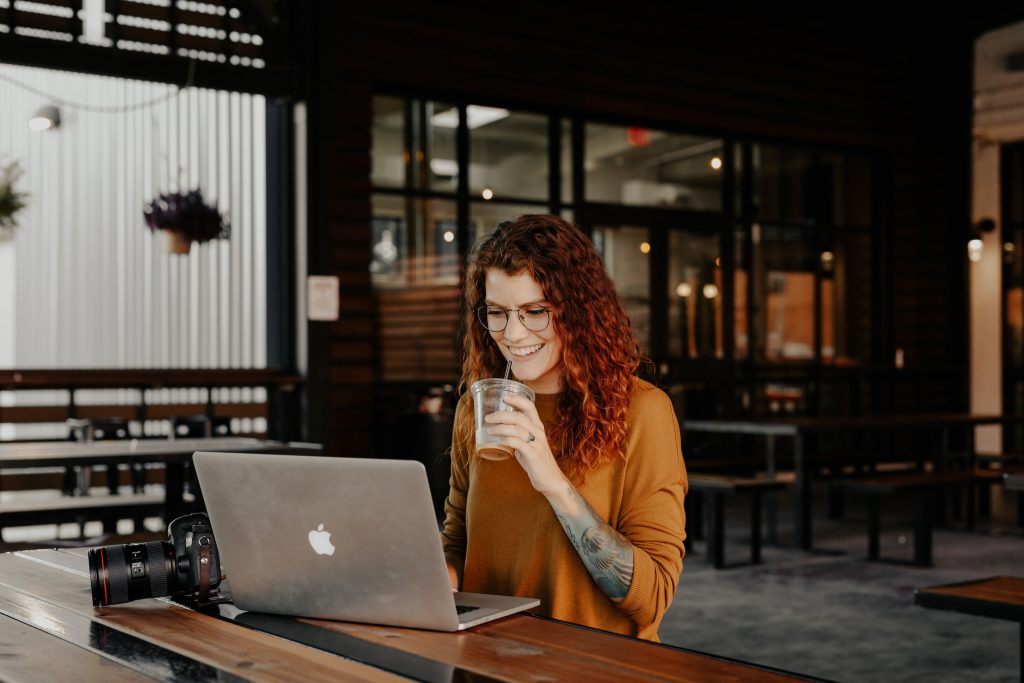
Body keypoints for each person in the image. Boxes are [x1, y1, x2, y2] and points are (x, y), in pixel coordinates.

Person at [441, 214, 687, 642]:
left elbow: (652, 598)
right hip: (486, 664)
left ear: (578, 310)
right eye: (497, 313)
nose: (513, 334)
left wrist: (552, 480)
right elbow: (459, 542)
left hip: (592, 667)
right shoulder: (477, 409)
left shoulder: (642, 412)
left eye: (536, 311)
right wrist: (421, 576)